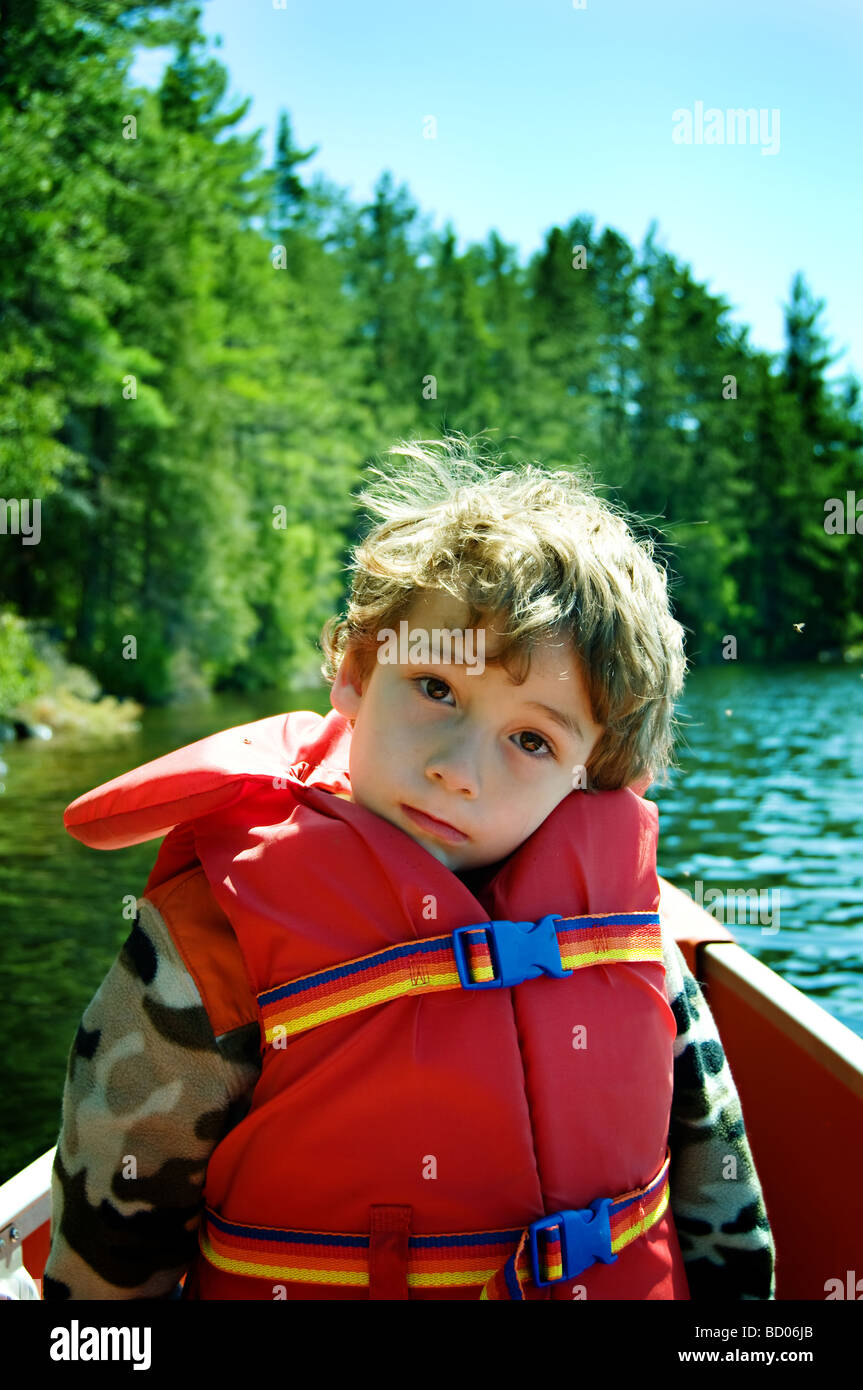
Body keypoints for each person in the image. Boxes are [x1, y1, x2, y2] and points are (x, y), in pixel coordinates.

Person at [43, 435, 775, 1300]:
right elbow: (110, 1255)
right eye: (435, 688)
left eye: (531, 740)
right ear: (356, 669)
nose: (457, 769)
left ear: (599, 776)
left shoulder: (623, 927)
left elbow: (720, 1194)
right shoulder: (216, 937)